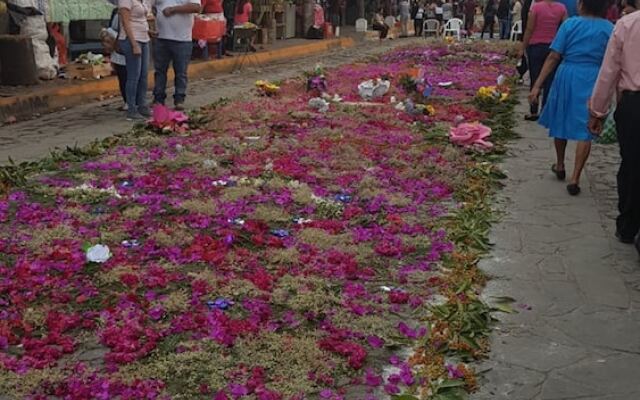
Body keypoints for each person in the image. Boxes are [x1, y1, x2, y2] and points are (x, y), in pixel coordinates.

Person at [529, 0, 612, 196]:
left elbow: (553, 56)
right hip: (594, 77)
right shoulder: (609, 28)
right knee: (587, 126)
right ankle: (575, 177)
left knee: (561, 120)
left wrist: (537, 85)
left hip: (568, 74)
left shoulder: (570, 24)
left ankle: (559, 164)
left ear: (581, 4)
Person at [588, 0, 640, 251]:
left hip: (634, 106)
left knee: (632, 165)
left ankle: (629, 225)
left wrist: (597, 111)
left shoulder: (627, 24)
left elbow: (609, 72)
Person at [519, 0, 567, 120]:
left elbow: (529, 29)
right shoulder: (562, 8)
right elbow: (566, 27)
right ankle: (545, 111)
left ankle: (533, 110)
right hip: (553, 47)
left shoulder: (536, 8)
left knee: (535, 78)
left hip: (536, 47)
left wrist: (522, 47)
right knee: (550, 80)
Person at [152, 0, 201, 111]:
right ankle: (158, 98)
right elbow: (152, 6)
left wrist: (173, 9)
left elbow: (196, 7)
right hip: (162, 37)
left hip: (182, 39)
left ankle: (179, 98)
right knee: (160, 71)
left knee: (180, 72)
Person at [118, 0, 153, 120]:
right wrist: (134, 44)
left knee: (143, 75)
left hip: (144, 38)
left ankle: (142, 104)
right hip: (131, 39)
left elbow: (142, 19)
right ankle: (131, 108)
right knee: (134, 76)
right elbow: (125, 22)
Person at [105, 6, 127, 111]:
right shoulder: (116, 11)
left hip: (130, 48)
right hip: (118, 50)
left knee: (130, 78)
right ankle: (127, 101)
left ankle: (133, 101)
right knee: (123, 78)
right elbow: (112, 28)